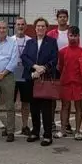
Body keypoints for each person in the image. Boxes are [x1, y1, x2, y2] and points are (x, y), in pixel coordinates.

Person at [22, 17, 59, 146]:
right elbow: (24, 57)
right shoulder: (30, 42)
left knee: (47, 109)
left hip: (45, 79)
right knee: (34, 108)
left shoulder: (52, 42)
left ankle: (48, 135)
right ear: (35, 28)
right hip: (31, 78)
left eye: (43, 26)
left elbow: (54, 59)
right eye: (38, 26)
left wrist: (43, 69)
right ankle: (35, 132)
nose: (40, 28)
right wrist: (34, 67)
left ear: (46, 28)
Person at [57, 26, 82, 140]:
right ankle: (63, 130)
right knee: (65, 106)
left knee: (78, 107)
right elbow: (61, 66)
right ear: (67, 36)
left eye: (75, 36)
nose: (73, 38)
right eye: (71, 35)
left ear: (78, 37)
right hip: (66, 82)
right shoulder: (62, 51)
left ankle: (77, 131)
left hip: (79, 83)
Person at [13, 17, 32, 136]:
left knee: (26, 102)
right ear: (15, 26)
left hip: (25, 74)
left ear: (25, 26)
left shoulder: (30, 41)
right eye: (18, 24)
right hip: (12, 74)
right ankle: (10, 126)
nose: (20, 26)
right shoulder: (9, 40)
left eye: (22, 24)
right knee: (11, 102)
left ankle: (25, 126)